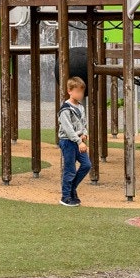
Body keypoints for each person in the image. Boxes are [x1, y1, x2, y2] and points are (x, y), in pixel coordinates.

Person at [57, 75, 91, 206]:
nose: (80, 94)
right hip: (68, 141)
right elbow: (68, 129)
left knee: (86, 165)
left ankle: (72, 188)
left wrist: (85, 134)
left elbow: (83, 123)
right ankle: (65, 196)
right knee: (70, 169)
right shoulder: (65, 109)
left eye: (82, 92)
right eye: (77, 91)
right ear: (69, 91)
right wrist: (79, 141)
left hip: (78, 140)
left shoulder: (81, 107)